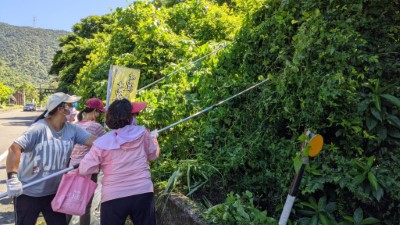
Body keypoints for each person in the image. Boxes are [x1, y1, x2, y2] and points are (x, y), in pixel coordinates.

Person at [6, 92, 97, 225]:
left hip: (54, 193)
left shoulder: (72, 129)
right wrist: (12, 178)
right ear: (61, 109)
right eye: (72, 105)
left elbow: (95, 142)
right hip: (28, 193)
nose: (74, 109)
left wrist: (117, 138)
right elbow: (14, 149)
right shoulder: (38, 128)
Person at [79, 98, 160, 225]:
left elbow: (84, 169)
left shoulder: (102, 142)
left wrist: (100, 165)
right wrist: (154, 140)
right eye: (134, 114)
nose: (136, 117)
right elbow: (153, 155)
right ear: (129, 117)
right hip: (142, 192)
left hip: (113, 196)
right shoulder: (143, 133)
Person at [66, 98, 107, 225]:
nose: (99, 115)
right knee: (86, 205)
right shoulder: (97, 127)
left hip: (72, 168)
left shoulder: (75, 125)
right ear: (95, 111)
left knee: (68, 203)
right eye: (99, 112)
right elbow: (106, 146)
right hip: (88, 170)